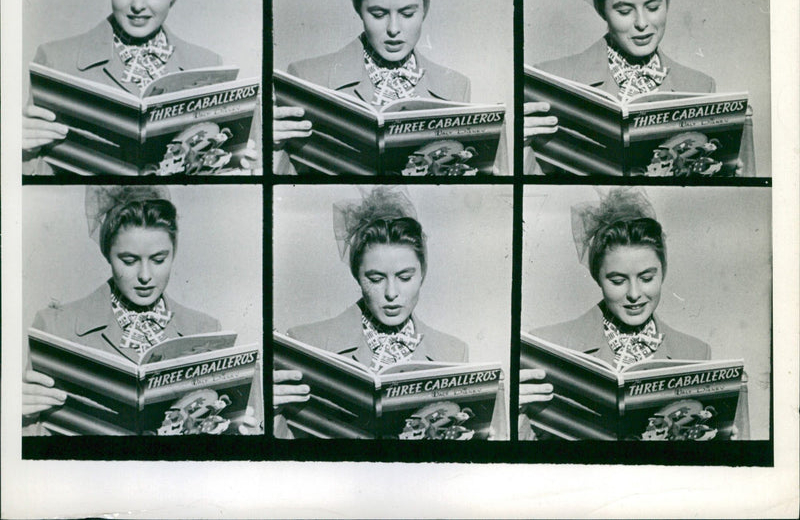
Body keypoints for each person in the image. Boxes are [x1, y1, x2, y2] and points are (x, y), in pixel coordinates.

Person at [22, 185, 262, 435]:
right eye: (129, 260)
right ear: (107, 254)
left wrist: (239, 433)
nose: (145, 276)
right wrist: (16, 417)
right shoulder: (54, 327)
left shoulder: (206, 329)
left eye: (159, 260)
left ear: (173, 253)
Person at [23, 0, 259, 175]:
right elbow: (34, 171)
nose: (137, 4)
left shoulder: (209, 64)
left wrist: (241, 167)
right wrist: (22, 152)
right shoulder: (55, 59)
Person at [274, 186, 506, 439]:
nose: (391, 293)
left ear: (422, 274)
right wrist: (271, 411)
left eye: (405, 277)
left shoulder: (453, 352)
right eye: (375, 279)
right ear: (358, 277)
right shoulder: (305, 342)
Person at [518, 187, 749, 440]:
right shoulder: (547, 345)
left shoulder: (695, 353)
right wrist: (516, 413)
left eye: (647, 278)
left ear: (663, 272)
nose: (634, 293)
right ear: (598, 278)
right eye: (618, 281)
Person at [273, 0, 506, 175]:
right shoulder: (307, 77)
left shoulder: (456, 87)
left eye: (407, 13)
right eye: (378, 13)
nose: (394, 29)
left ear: (424, 9)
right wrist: (273, 147)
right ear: (359, 11)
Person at [523, 0, 755, 176]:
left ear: (667, 1)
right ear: (603, 11)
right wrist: (523, 145)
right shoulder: (551, 80)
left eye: (654, 7)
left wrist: (729, 174)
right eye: (624, 11)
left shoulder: (701, 86)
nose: (642, 23)